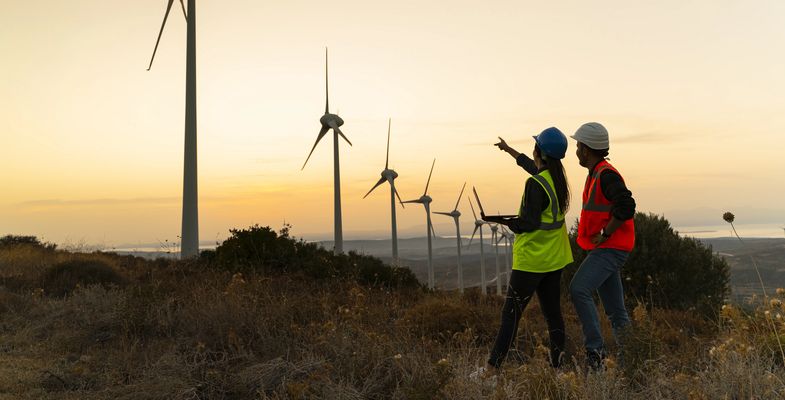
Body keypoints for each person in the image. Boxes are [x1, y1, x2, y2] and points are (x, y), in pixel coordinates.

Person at [473, 127, 574, 378]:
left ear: (538, 150)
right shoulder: (556, 179)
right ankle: (557, 370)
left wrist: (504, 221)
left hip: (531, 261)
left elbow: (527, 224)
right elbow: (532, 167)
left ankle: (491, 370)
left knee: (510, 316)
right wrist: (509, 151)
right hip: (555, 258)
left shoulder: (535, 183)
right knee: (553, 315)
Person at [569, 122, 636, 370]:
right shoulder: (597, 173)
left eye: (578, 146)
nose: (576, 150)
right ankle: (632, 358)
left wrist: (606, 234)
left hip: (612, 248)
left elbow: (626, 205)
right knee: (616, 311)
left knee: (578, 289)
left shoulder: (605, 174)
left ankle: (595, 353)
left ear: (586, 149)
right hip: (609, 248)